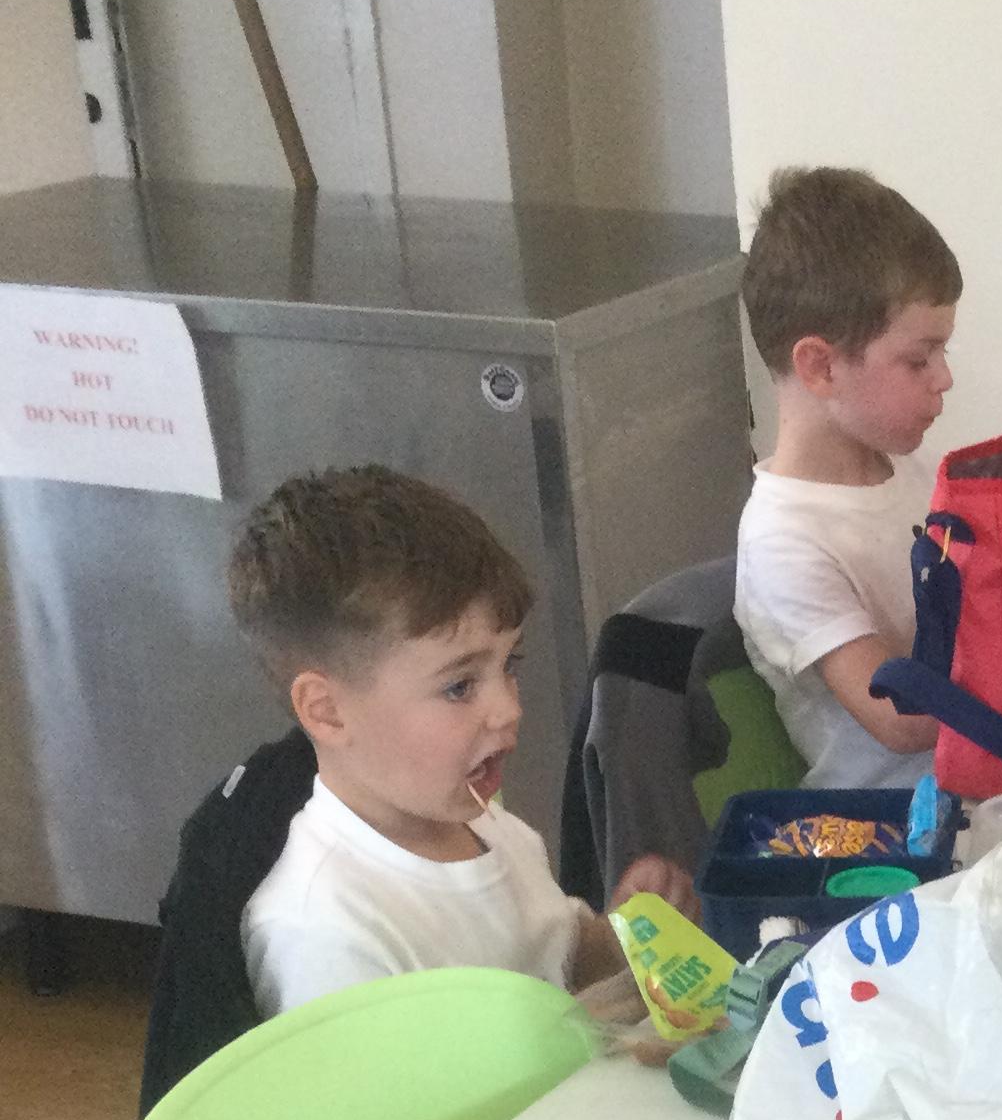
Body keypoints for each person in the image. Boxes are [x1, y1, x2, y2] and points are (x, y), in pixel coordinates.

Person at [207, 466, 693, 1028]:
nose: (508, 709)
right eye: (459, 686)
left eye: (509, 665)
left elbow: (563, 964)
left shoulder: (495, 830)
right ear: (327, 711)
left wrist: (623, 934)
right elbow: (393, 1091)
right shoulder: (324, 932)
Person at [733, 164, 959, 788]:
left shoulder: (910, 472)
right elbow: (904, 720)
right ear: (821, 368)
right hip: (896, 827)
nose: (944, 378)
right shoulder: (783, 542)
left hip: (987, 796)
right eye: (919, 359)